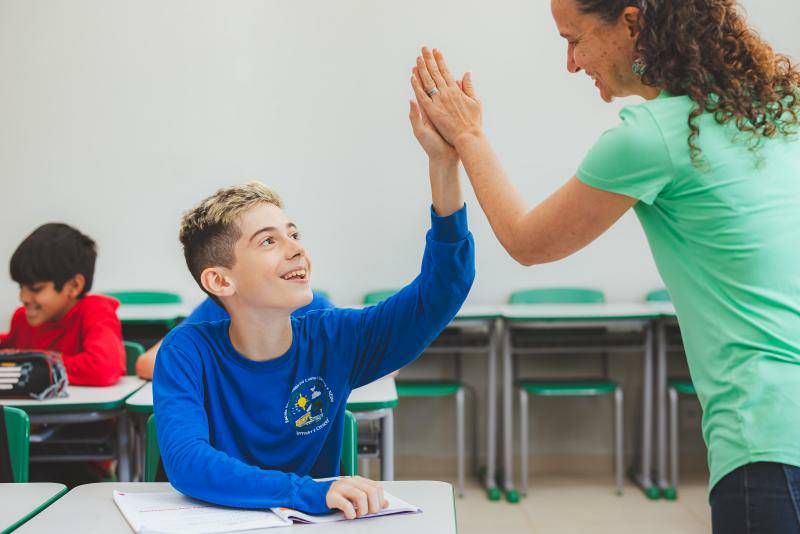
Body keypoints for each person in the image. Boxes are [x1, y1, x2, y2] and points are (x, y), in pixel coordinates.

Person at [409, 0, 800, 531]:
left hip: (767, 438)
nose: (571, 63)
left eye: (575, 39)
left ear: (632, 23)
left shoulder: (654, 135)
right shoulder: (776, 112)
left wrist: (468, 137)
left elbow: (528, 242)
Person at [154, 105, 473, 517]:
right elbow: (189, 464)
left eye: (294, 234)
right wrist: (307, 492)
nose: (296, 248)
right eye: (268, 241)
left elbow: (442, 290)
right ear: (220, 281)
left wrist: (444, 165)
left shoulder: (335, 338)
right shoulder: (186, 351)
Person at [1, 223, 125, 386]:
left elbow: (103, 368)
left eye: (35, 289)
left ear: (74, 286)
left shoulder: (96, 312)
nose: (23, 297)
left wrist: (33, 365)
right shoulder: (21, 319)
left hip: (80, 411)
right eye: (21, 287)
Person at [134, 291, 334, 379]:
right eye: (267, 243)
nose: (293, 251)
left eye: (294, 236)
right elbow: (147, 363)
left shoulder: (317, 309)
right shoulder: (221, 305)